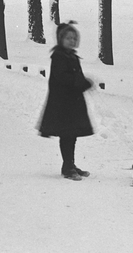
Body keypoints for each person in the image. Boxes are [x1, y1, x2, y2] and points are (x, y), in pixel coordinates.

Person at [38, 21, 97, 180]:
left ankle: (70, 164)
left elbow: (75, 78)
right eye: (68, 38)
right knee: (67, 134)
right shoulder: (58, 57)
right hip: (63, 104)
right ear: (60, 39)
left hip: (73, 102)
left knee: (72, 135)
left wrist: (84, 84)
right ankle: (67, 167)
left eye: (74, 38)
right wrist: (81, 83)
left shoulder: (72, 56)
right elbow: (63, 78)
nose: (71, 41)